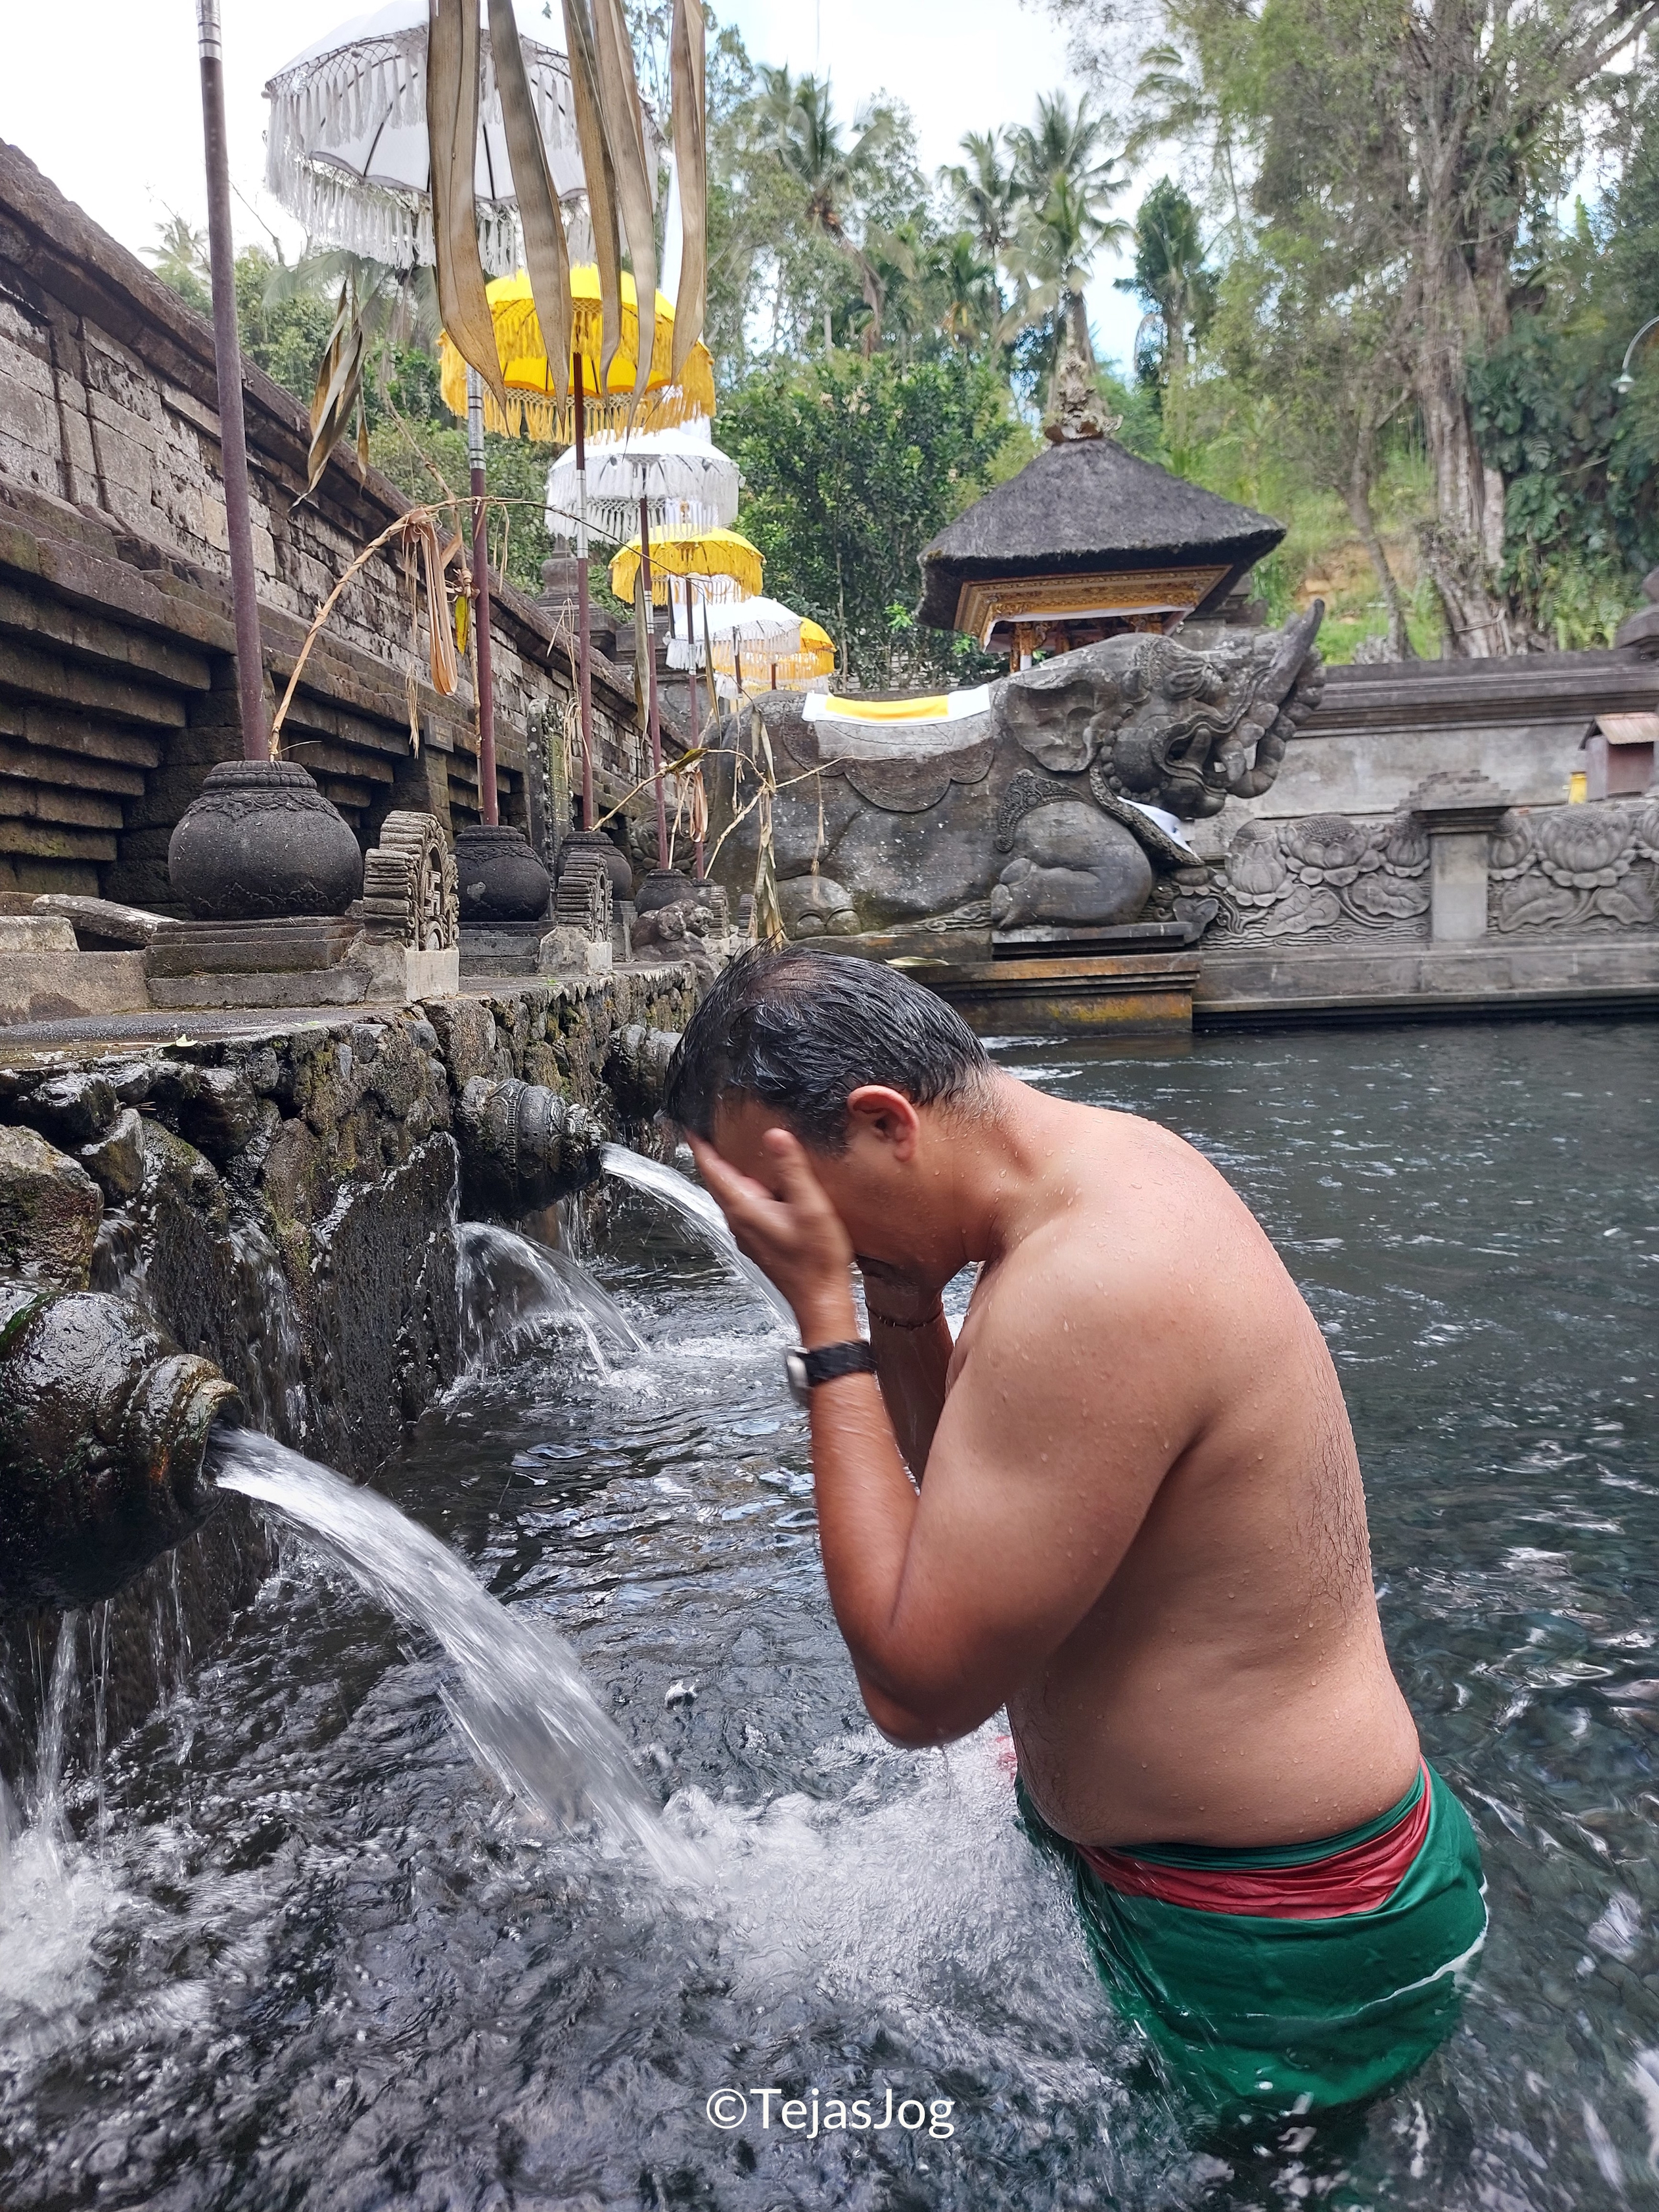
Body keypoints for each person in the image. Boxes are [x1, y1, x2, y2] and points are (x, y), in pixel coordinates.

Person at [664, 946, 1486, 2117]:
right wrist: (899, 1312)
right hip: (1216, 1887)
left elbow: (915, 1692)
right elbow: (994, 1496)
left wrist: (829, 1323)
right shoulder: (1090, 1172)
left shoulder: (1096, 1279)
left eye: (795, 1204)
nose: (796, 1241)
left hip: (1283, 1935)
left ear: (885, 1121)